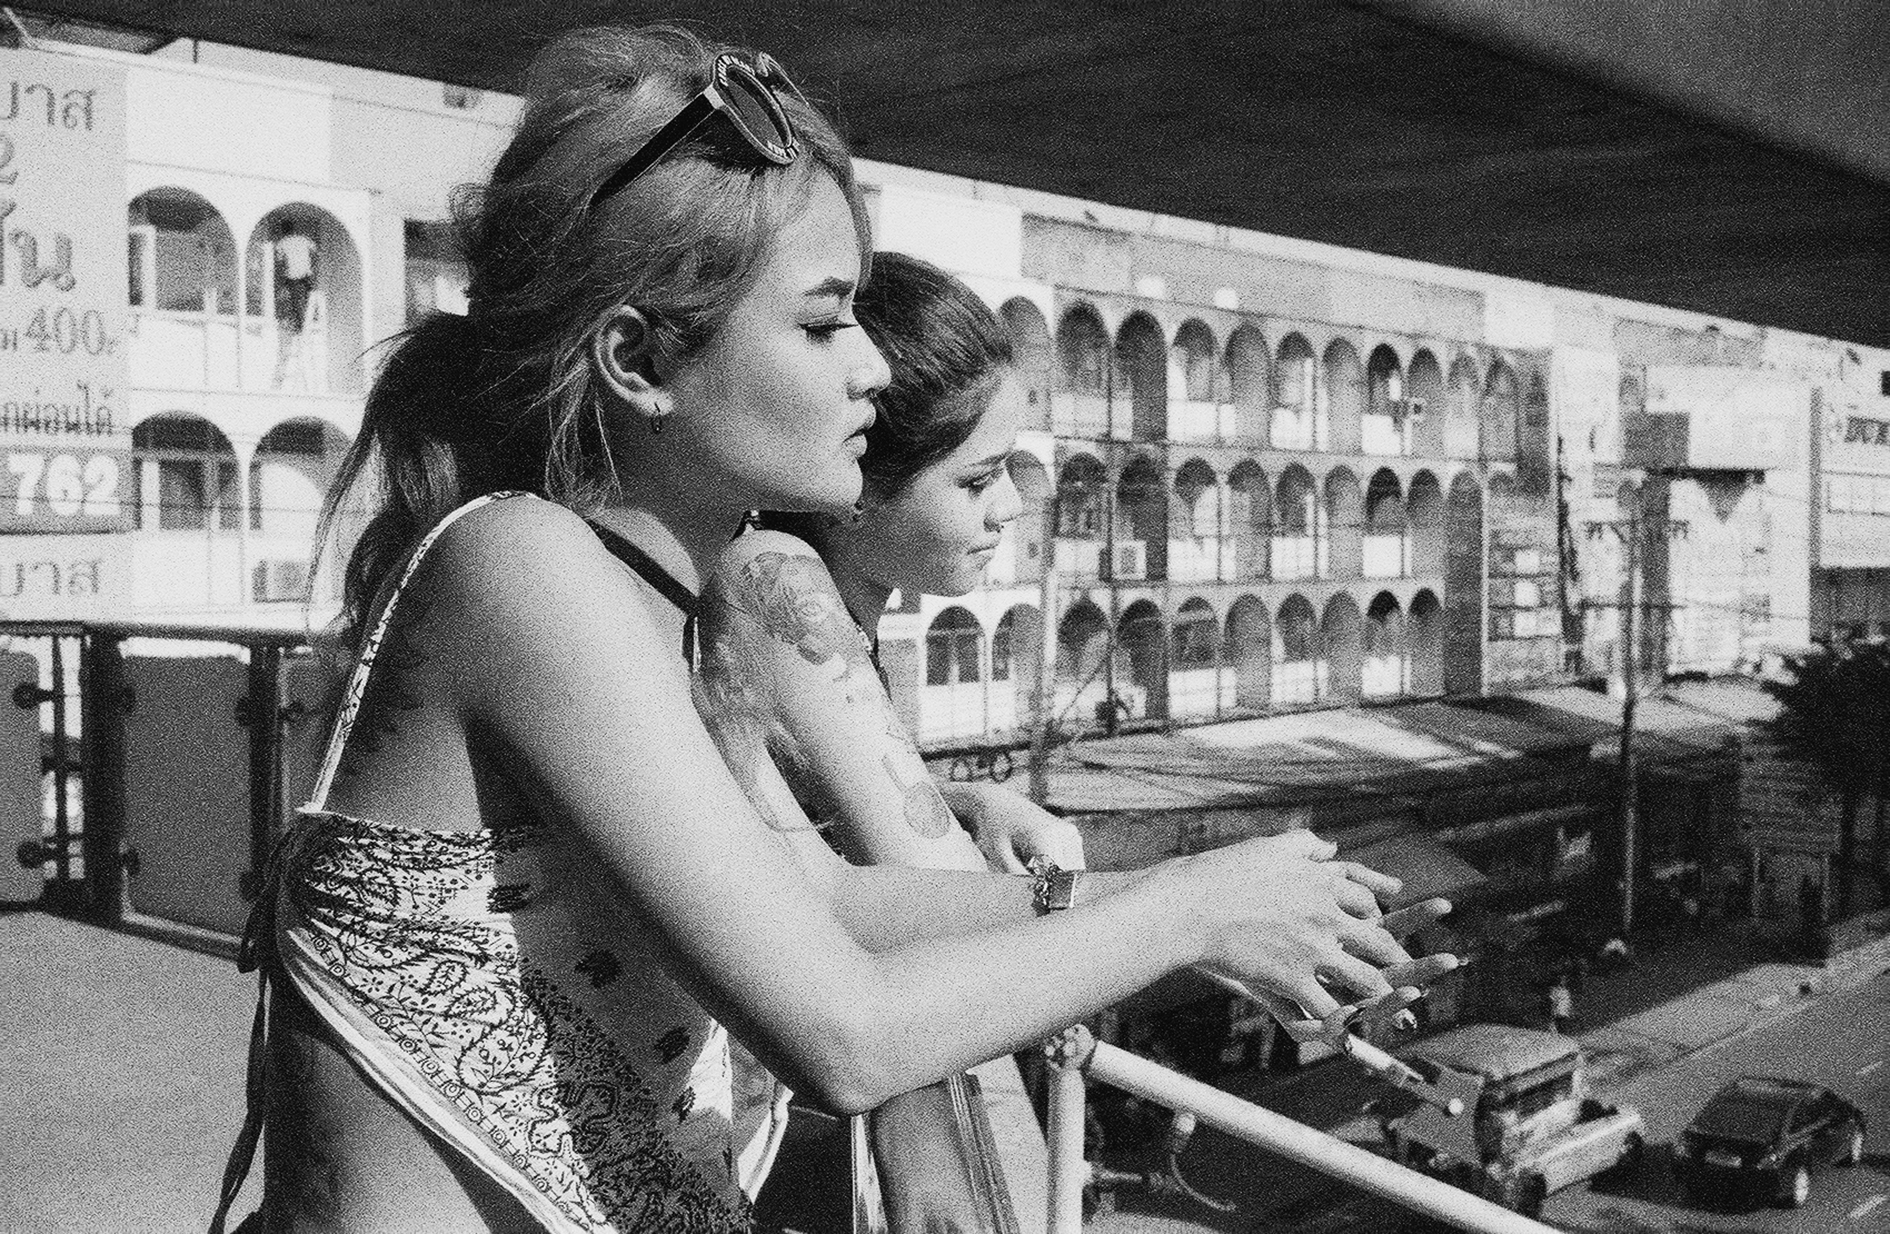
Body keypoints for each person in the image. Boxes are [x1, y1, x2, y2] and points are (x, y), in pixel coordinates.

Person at [213, 26, 1453, 1234]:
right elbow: (843, 1034)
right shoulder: (521, 566)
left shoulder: (661, 611)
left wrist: (1183, 895)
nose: (871, 368)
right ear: (638, 361)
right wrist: (1189, 912)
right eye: (821, 323)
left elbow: (826, 900)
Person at [700, 251, 1080, 1230]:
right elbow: (937, 890)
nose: (1011, 506)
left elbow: (799, 811)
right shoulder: (777, 579)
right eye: (979, 478)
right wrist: (1190, 917)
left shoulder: (791, 581)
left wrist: (969, 799)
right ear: (856, 483)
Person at [275, 220, 317, 330]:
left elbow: (280, 261)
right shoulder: (304, 239)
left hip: (292, 274)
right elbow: (314, 251)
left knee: (296, 300)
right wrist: (310, 265)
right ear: (293, 229)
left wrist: (281, 278)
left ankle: (300, 326)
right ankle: (310, 321)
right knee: (309, 299)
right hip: (307, 273)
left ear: (283, 231)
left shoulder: (282, 243)